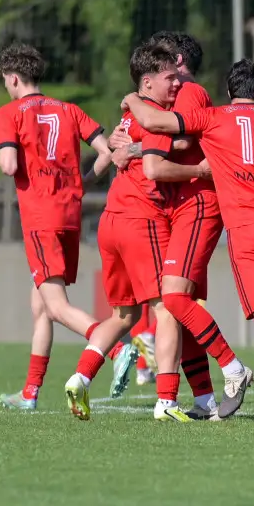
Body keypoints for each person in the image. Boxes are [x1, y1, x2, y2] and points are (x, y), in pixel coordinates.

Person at [122, 59, 254, 421]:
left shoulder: (214, 117)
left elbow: (155, 122)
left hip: (251, 223)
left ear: (228, 92)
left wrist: (132, 100)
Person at [107, 32, 254, 420]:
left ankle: (232, 368)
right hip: (177, 207)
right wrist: (121, 140)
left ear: (175, 62)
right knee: (180, 307)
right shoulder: (169, 95)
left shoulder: (187, 91)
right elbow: (121, 153)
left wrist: (133, 102)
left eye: (165, 69)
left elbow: (167, 139)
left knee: (172, 301)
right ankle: (202, 398)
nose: (167, 81)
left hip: (196, 203)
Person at [62, 41, 209, 422]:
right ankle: (166, 401)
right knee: (168, 310)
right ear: (147, 82)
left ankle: (80, 376)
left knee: (124, 316)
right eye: (169, 79)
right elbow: (161, 160)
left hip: (110, 220)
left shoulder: (130, 118)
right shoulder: (154, 115)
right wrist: (198, 167)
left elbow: (132, 149)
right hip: (141, 220)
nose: (176, 85)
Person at [0, 43, 121, 412]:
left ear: (13, 78)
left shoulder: (8, 113)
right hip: (68, 216)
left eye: (5, 80)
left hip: (40, 217)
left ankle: (119, 348)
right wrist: (81, 181)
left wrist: (10, 152)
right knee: (41, 308)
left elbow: (8, 165)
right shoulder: (70, 110)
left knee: (57, 306)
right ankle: (30, 393)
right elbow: (107, 152)